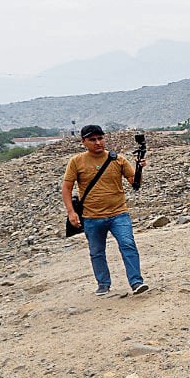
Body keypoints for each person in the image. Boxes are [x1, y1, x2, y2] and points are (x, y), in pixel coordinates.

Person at [62, 124, 149, 297]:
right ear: (84, 142)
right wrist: (71, 212)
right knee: (96, 251)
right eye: (92, 140)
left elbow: (135, 184)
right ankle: (103, 284)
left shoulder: (118, 159)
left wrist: (140, 168)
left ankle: (136, 282)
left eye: (100, 138)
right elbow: (67, 188)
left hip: (119, 214)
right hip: (91, 217)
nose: (97, 143)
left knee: (128, 245)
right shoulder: (76, 161)